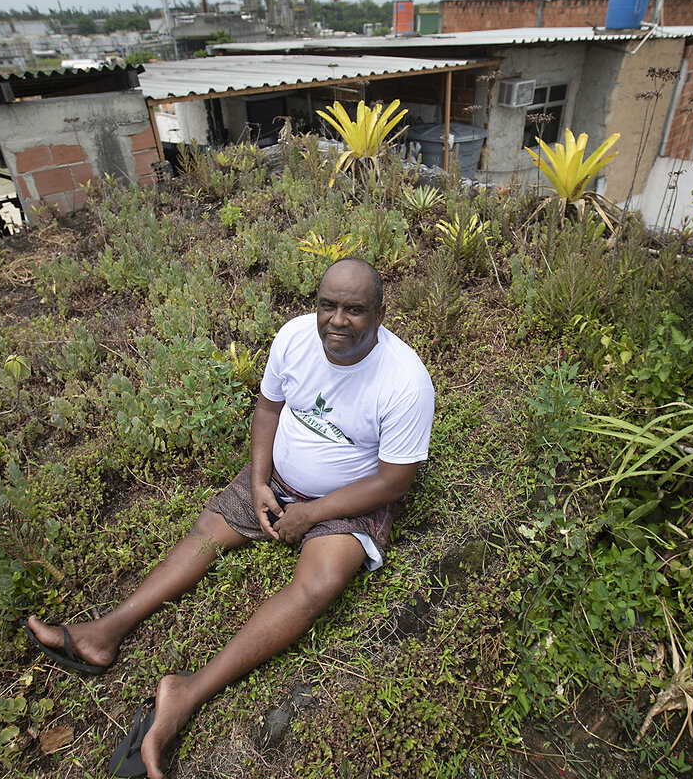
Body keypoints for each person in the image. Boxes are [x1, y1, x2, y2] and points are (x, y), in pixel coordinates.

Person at [24, 257, 434, 778]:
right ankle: (105, 632)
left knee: (318, 585)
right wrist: (261, 481)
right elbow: (268, 409)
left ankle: (187, 692)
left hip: (349, 500)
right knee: (206, 532)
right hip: (275, 478)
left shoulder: (405, 381)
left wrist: (310, 514)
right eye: (326, 305)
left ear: (380, 312)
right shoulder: (293, 338)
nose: (337, 320)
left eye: (354, 309)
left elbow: (394, 481)